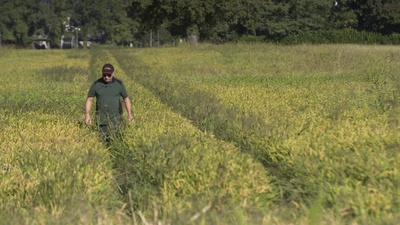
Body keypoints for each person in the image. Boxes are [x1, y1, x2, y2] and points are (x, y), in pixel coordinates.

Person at [85, 63, 134, 142]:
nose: (106, 77)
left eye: (109, 75)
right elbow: (89, 100)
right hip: (101, 118)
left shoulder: (119, 84)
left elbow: (126, 99)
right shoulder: (96, 84)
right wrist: (87, 115)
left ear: (113, 73)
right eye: (104, 75)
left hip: (116, 118)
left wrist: (130, 115)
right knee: (101, 140)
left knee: (116, 138)